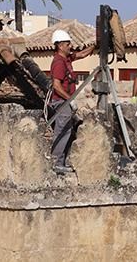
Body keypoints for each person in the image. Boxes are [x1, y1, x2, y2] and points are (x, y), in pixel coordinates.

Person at [48, 29, 95, 174]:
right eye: (68, 44)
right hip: (61, 102)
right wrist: (70, 100)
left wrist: (96, 44)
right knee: (63, 131)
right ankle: (56, 163)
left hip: (66, 101)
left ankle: (61, 161)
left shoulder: (67, 59)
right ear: (60, 46)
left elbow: (82, 54)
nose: (70, 46)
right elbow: (56, 85)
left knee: (68, 131)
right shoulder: (59, 62)